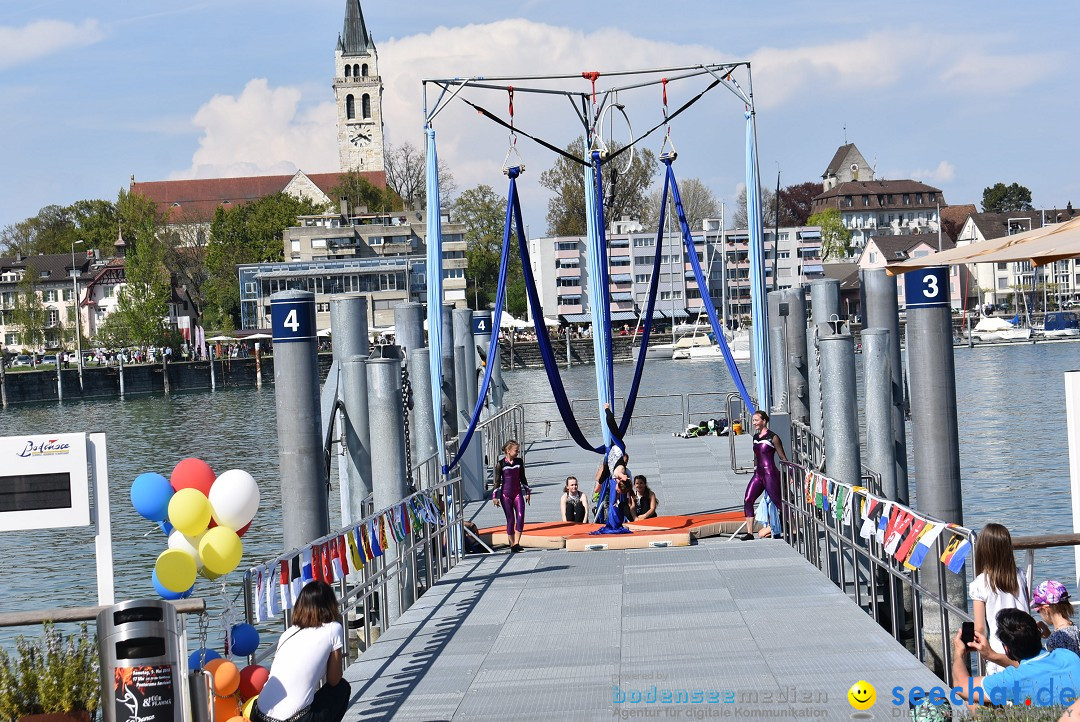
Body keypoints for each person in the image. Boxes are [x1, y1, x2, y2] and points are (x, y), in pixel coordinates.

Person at [254, 581, 350, 722]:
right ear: (330, 605)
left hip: (259, 715)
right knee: (342, 688)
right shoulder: (333, 628)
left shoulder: (288, 633)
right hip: (293, 720)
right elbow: (334, 680)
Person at [951, 609, 1080, 709]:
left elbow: (960, 686)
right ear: (1039, 635)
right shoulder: (1068, 656)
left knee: (974, 701)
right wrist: (991, 655)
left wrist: (959, 652)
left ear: (1007, 649)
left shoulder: (1013, 679)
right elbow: (1031, 666)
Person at [969, 522, 1029, 675]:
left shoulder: (980, 584)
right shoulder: (1020, 575)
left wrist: (983, 652)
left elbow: (980, 628)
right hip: (1026, 645)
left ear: (983, 550)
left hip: (1000, 652)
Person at [740, 410, 787, 541]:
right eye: (753, 420)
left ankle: (794, 529)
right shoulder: (755, 437)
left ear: (764, 421)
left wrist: (790, 474)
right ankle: (750, 533)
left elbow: (783, 457)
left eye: (756, 420)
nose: (754, 422)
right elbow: (756, 456)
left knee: (778, 502)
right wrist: (755, 469)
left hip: (770, 473)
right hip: (758, 474)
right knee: (748, 499)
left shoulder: (773, 437)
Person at [492, 440, 530, 552]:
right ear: (508, 451)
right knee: (510, 519)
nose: (518, 452)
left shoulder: (519, 462)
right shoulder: (501, 464)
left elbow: (523, 477)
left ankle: (517, 543)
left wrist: (527, 492)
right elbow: (497, 481)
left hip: (517, 493)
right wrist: (494, 496)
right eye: (516, 450)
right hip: (506, 495)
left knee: (520, 516)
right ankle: (512, 543)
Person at [1032, 580, 1080, 655]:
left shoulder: (1055, 639)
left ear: (1046, 609)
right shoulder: (1074, 629)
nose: (1039, 614)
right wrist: (1049, 635)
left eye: (1038, 610)